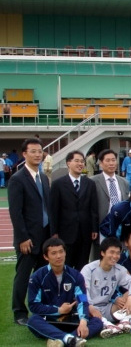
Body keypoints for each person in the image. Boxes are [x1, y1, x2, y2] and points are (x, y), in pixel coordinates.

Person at [27, 238, 103, 346]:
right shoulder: (37, 277)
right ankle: (70, 338)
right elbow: (34, 306)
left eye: (61, 252)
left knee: (97, 322)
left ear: (65, 253)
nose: (58, 256)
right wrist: (58, 310)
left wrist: (83, 321)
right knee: (33, 320)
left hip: (70, 319)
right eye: (53, 253)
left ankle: (64, 339)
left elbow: (82, 300)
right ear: (46, 256)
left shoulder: (76, 276)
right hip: (49, 320)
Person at [9, 138, 51, 326]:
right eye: (33, 151)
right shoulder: (18, 179)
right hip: (28, 238)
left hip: (44, 237)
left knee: (43, 276)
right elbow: (16, 213)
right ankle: (19, 312)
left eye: (39, 151)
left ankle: (43, 308)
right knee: (23, 276)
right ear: (24, 154)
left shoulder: (43, 177)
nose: (37, 154)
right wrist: (23, 238)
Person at [81, 237, 131, 338]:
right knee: (86, 307)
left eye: (118, 253)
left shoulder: (119, 269)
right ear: (103, 253)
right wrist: (90, 307)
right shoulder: (88, 269)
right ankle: (107, 325)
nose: (115, 256)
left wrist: (130, 298)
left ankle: (126, 321)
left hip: (107, 308)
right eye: (111, 252)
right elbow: (82, 292)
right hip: (91, 308)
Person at [50, 151, 99, 270]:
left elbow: (93, 208)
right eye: (76, 161)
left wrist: (94, 228)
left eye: (82, 161)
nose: (80, 164)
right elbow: (54, 209)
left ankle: (79, 288)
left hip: (85, 232)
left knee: (82, 266)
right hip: (65, 233)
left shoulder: (90, 183)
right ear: (68, 163)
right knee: (65, 265)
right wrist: (54, 231)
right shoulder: (58, 184)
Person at [90, 149, 130, 259]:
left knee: (119, 256)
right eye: (108, 160)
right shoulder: (92, 181)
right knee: (101, 257)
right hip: (102, 226)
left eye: (113, 160)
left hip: (120, 226)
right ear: (101, 163)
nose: (111, 163)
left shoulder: (124, 182)